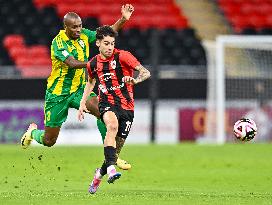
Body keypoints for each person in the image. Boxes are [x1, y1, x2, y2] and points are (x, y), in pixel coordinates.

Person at [20, 4, 134, 170]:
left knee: (103, 111)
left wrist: (123, 19)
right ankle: (32, 133)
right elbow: (71, 63)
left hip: (80, 89)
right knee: (49, 141)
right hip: (58, 94)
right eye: (74, 27)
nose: (79, 30)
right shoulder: (58, 43)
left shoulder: (83, 35)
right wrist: (93, 64)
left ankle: (112, 154)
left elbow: (105, 35)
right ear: (65, 27)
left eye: (80, 26)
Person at [77, 25, 151, 194]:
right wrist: (82, 104)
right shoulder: (93, 63)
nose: (110, 47)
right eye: (106, 43)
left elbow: (146, 72)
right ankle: (111, 169)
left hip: (127, 108)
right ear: (98, 44)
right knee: (111, 125)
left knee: (114, 153)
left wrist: (135, 80)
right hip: (107, 103)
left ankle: (99, 173)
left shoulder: (123, 56)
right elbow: (91, 83)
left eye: (112, 43)